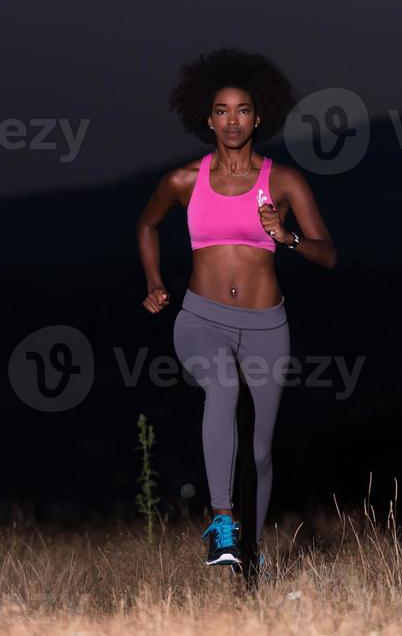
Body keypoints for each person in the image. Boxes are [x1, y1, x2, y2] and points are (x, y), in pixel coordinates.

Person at [137, 46, 337, 574]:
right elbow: (145, 225)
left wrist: (287, 237)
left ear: (259, 117)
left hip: (266, 325)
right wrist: (156, 283)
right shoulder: (184, 180)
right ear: (207, 119)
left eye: (243, 110)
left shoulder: (286, 182)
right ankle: (222, 521)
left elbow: (328, 254)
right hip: (200, 319)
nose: (232, 120)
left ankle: (249, 556)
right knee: (222, 386)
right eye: (222, 110)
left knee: (261, 452)